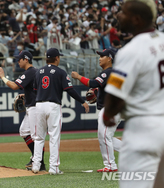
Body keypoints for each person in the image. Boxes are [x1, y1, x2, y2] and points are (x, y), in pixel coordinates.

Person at [103, 0, 164, 187]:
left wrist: (108, 114)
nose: (119, 15)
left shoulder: (131, 50)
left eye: (124, 12)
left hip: (142, 129)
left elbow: (115, 94)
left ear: (136, 19)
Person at [32, 48, 89, 175]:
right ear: (57, 58)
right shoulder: (60, 72)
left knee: (39, 137)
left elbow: (35, 90)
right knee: (54, 137)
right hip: (53, 105)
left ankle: (35, 166)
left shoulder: (38, 71)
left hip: (39, 105)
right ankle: (54, 168)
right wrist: (82, 101)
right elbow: (70, 90)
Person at [71, 49, 122, 172]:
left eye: (102, 56)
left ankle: (110, 166)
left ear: (109, 58)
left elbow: (92, 83)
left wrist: (78, 77)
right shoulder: (112, 73)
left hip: (110, 109)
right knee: (105, 136)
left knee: (104, 136)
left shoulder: (108, 72)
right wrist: (98, 94)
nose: (99, 58)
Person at [0, 50, 46, 171]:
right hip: (32, 106)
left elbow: (14, 86)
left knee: (36, 136)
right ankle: (36, 158)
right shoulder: (34, 72)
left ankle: (40, 163)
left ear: (26, 59)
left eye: (20, 59)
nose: (17, 61)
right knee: (24, 131)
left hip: (35, 107)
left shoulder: (30, 72)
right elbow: (36, 89)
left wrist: (3, 77)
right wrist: (26, 95)